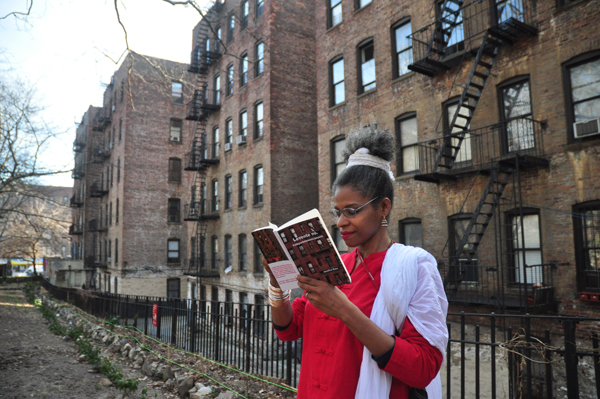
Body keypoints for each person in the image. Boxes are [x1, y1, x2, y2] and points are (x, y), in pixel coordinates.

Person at [265, 126, 448, 399]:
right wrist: (277, 286)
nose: (340, 223)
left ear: (383, 207)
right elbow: (290, 330)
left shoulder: (415, 267)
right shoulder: (331, 262)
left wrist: (343, 309)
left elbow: (423, 366)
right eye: (337, 213)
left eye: (352, 211)